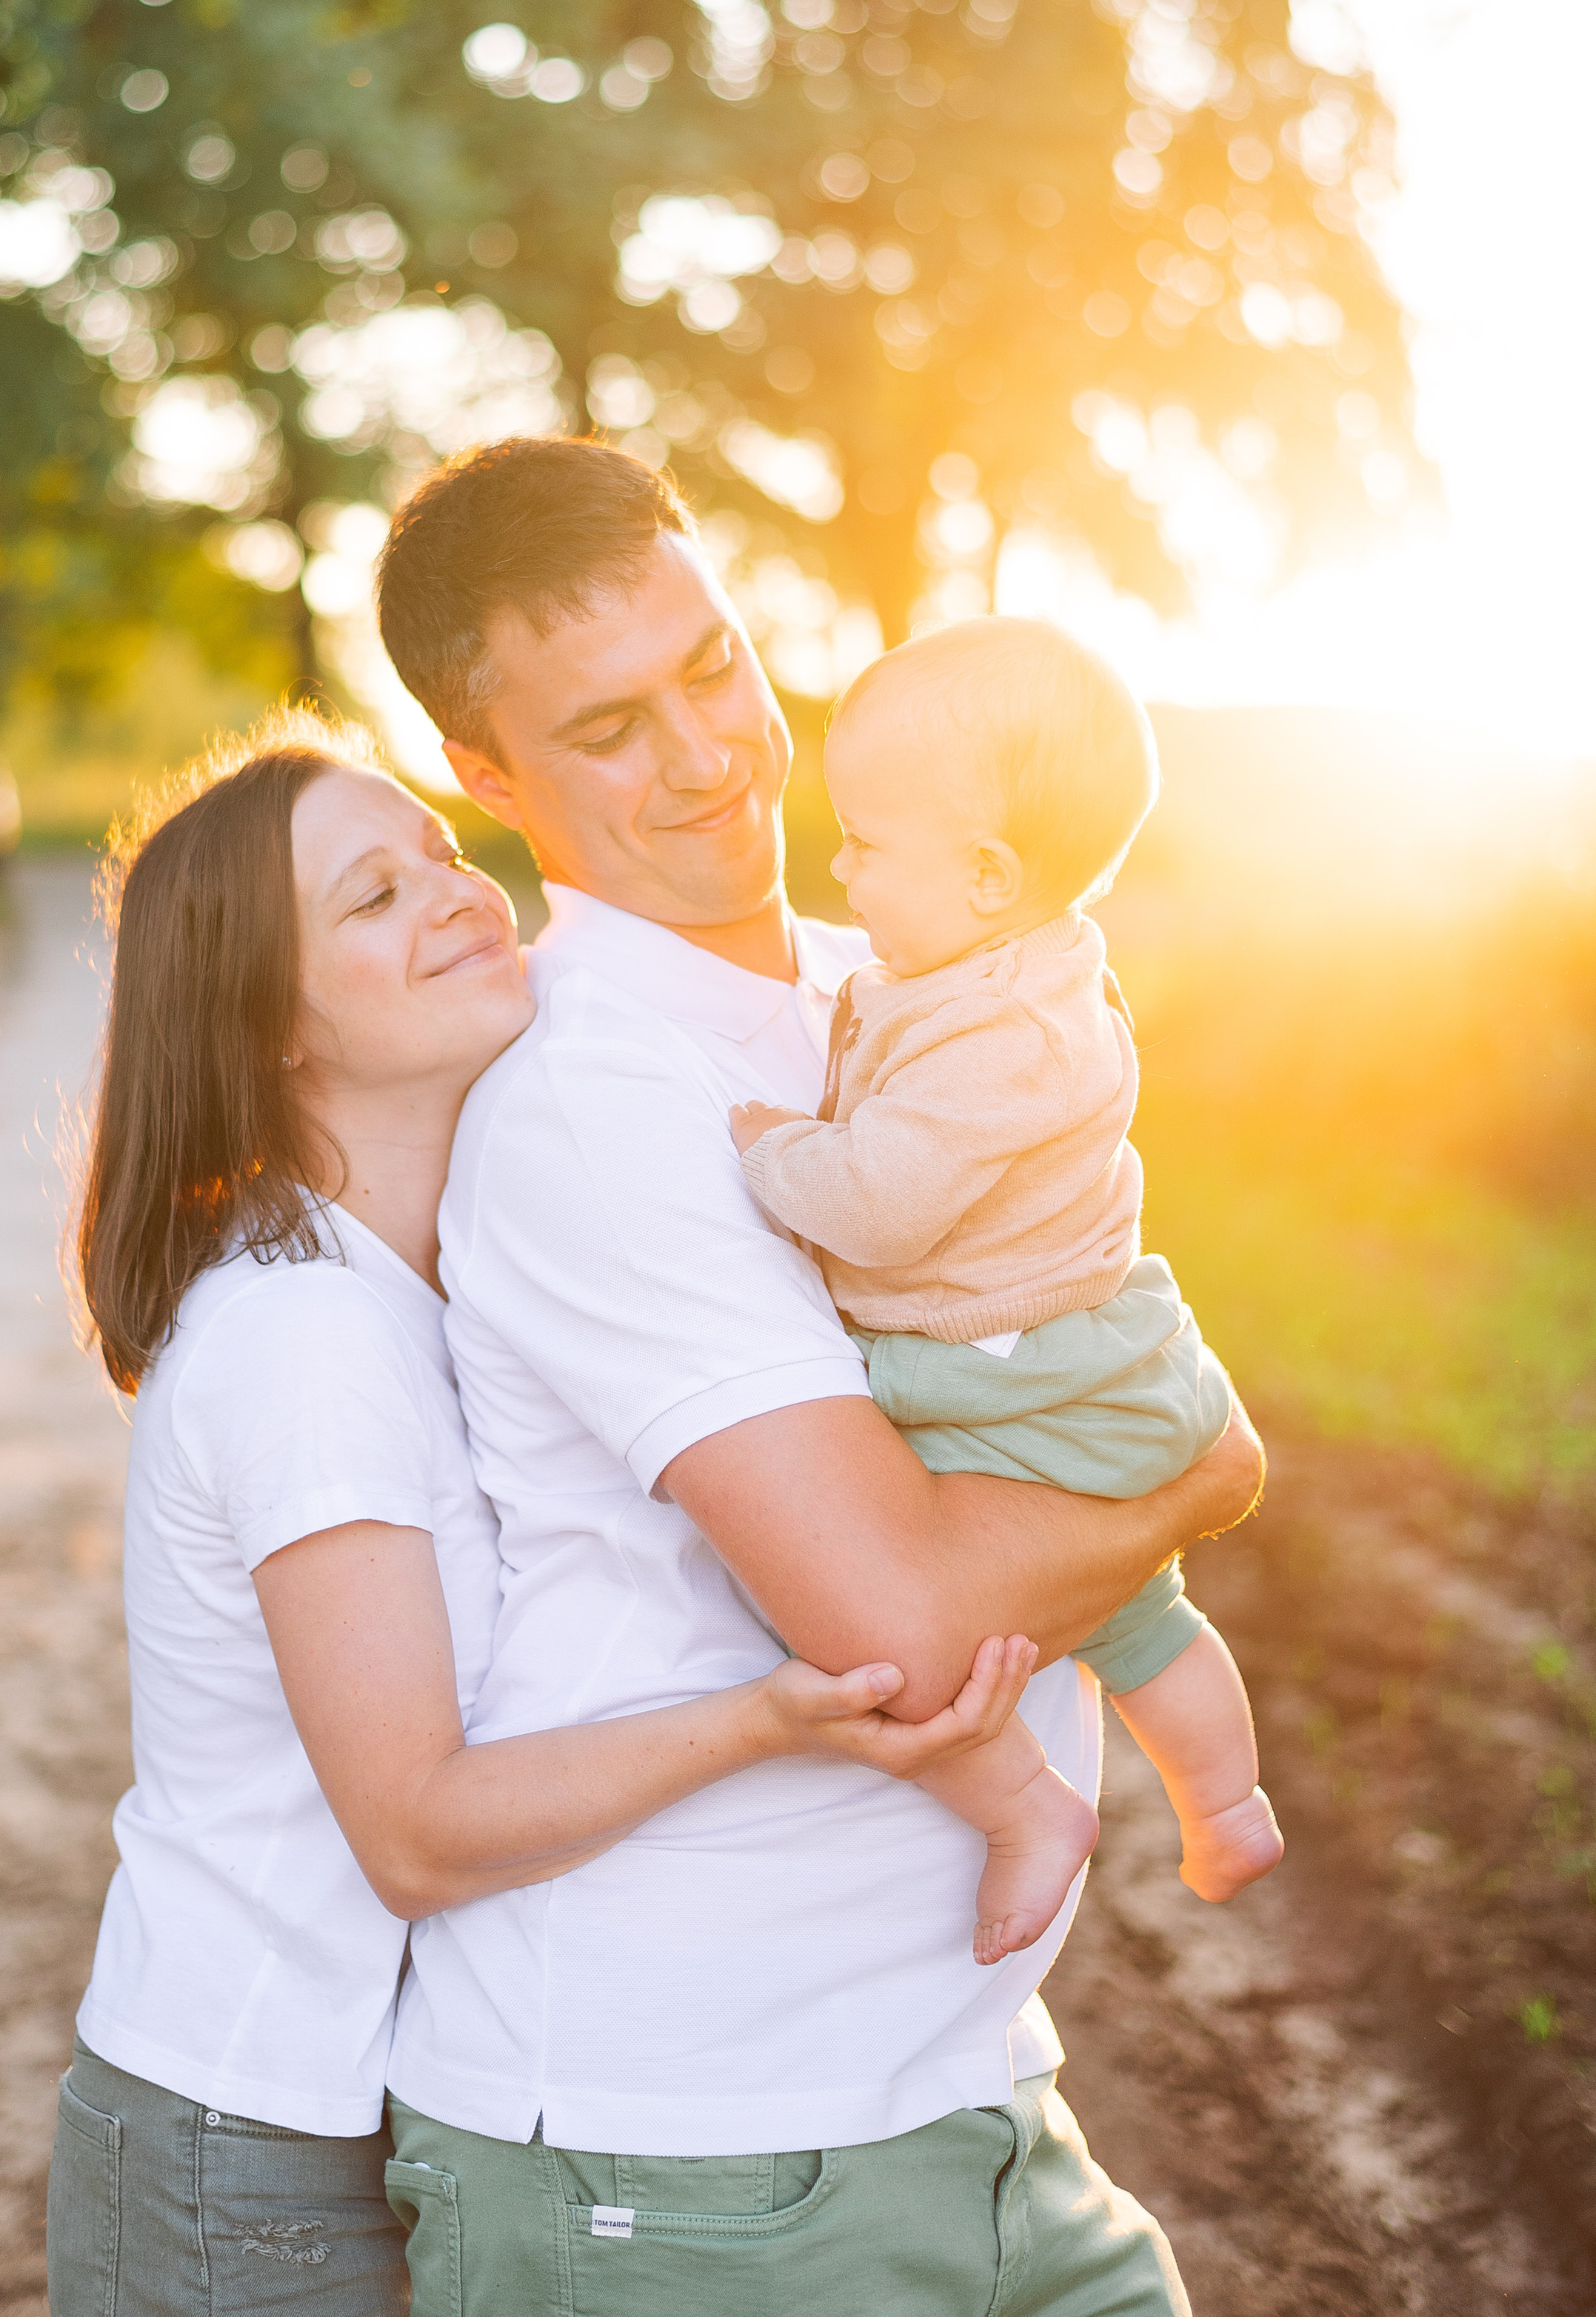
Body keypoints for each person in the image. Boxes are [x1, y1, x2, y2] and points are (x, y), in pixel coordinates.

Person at [373, 438, 1266, 2316]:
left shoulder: (902, 979)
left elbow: (1058, 1319)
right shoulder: (595, 1107)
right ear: (484, 773)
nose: (706, 755)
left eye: (710, 668)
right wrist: (1187, 1483)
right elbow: (898, 1619)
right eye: (608, 725)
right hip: (674, 2157)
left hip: (969, 2097)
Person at [47, 708, 1036, 2317]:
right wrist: (768, 1718)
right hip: (246, 2145)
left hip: (349, 2111)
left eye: (439, 851)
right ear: (270, 1026)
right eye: (371, 899)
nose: (454, 893)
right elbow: (418, 1832)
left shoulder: (421, 1278)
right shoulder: (307, 1337)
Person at [729, 617, 1285, 1971]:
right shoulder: (993, 971)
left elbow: (881, 1198)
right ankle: (1230, 1803)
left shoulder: (1009, 1038)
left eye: (866, 840)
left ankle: (1023, 1803)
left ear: (986, 876)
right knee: (1140, 1606)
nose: (840, 863)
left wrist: (770, 1146)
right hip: (1071, 1354)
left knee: (843, 1604)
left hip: (1001, 1369)